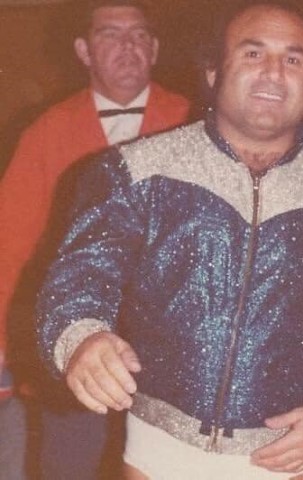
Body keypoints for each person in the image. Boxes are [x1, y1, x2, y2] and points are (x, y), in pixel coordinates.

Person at [36, 1, 303, 479]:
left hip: (291, 457)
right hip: (159, 450)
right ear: (213, 71)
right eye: (253, 53)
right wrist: (81, 337)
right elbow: (79, 279)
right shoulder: (135, 173)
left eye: (293, 59)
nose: (274, 72)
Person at [0, 0, 189, 478]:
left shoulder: (195, 122)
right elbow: (9, 246)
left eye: (139, 35)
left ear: (155, 48)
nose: (127, 46)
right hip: (73, 358)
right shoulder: (45, 134)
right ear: (83, 51)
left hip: (175, 364)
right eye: (110, 34)